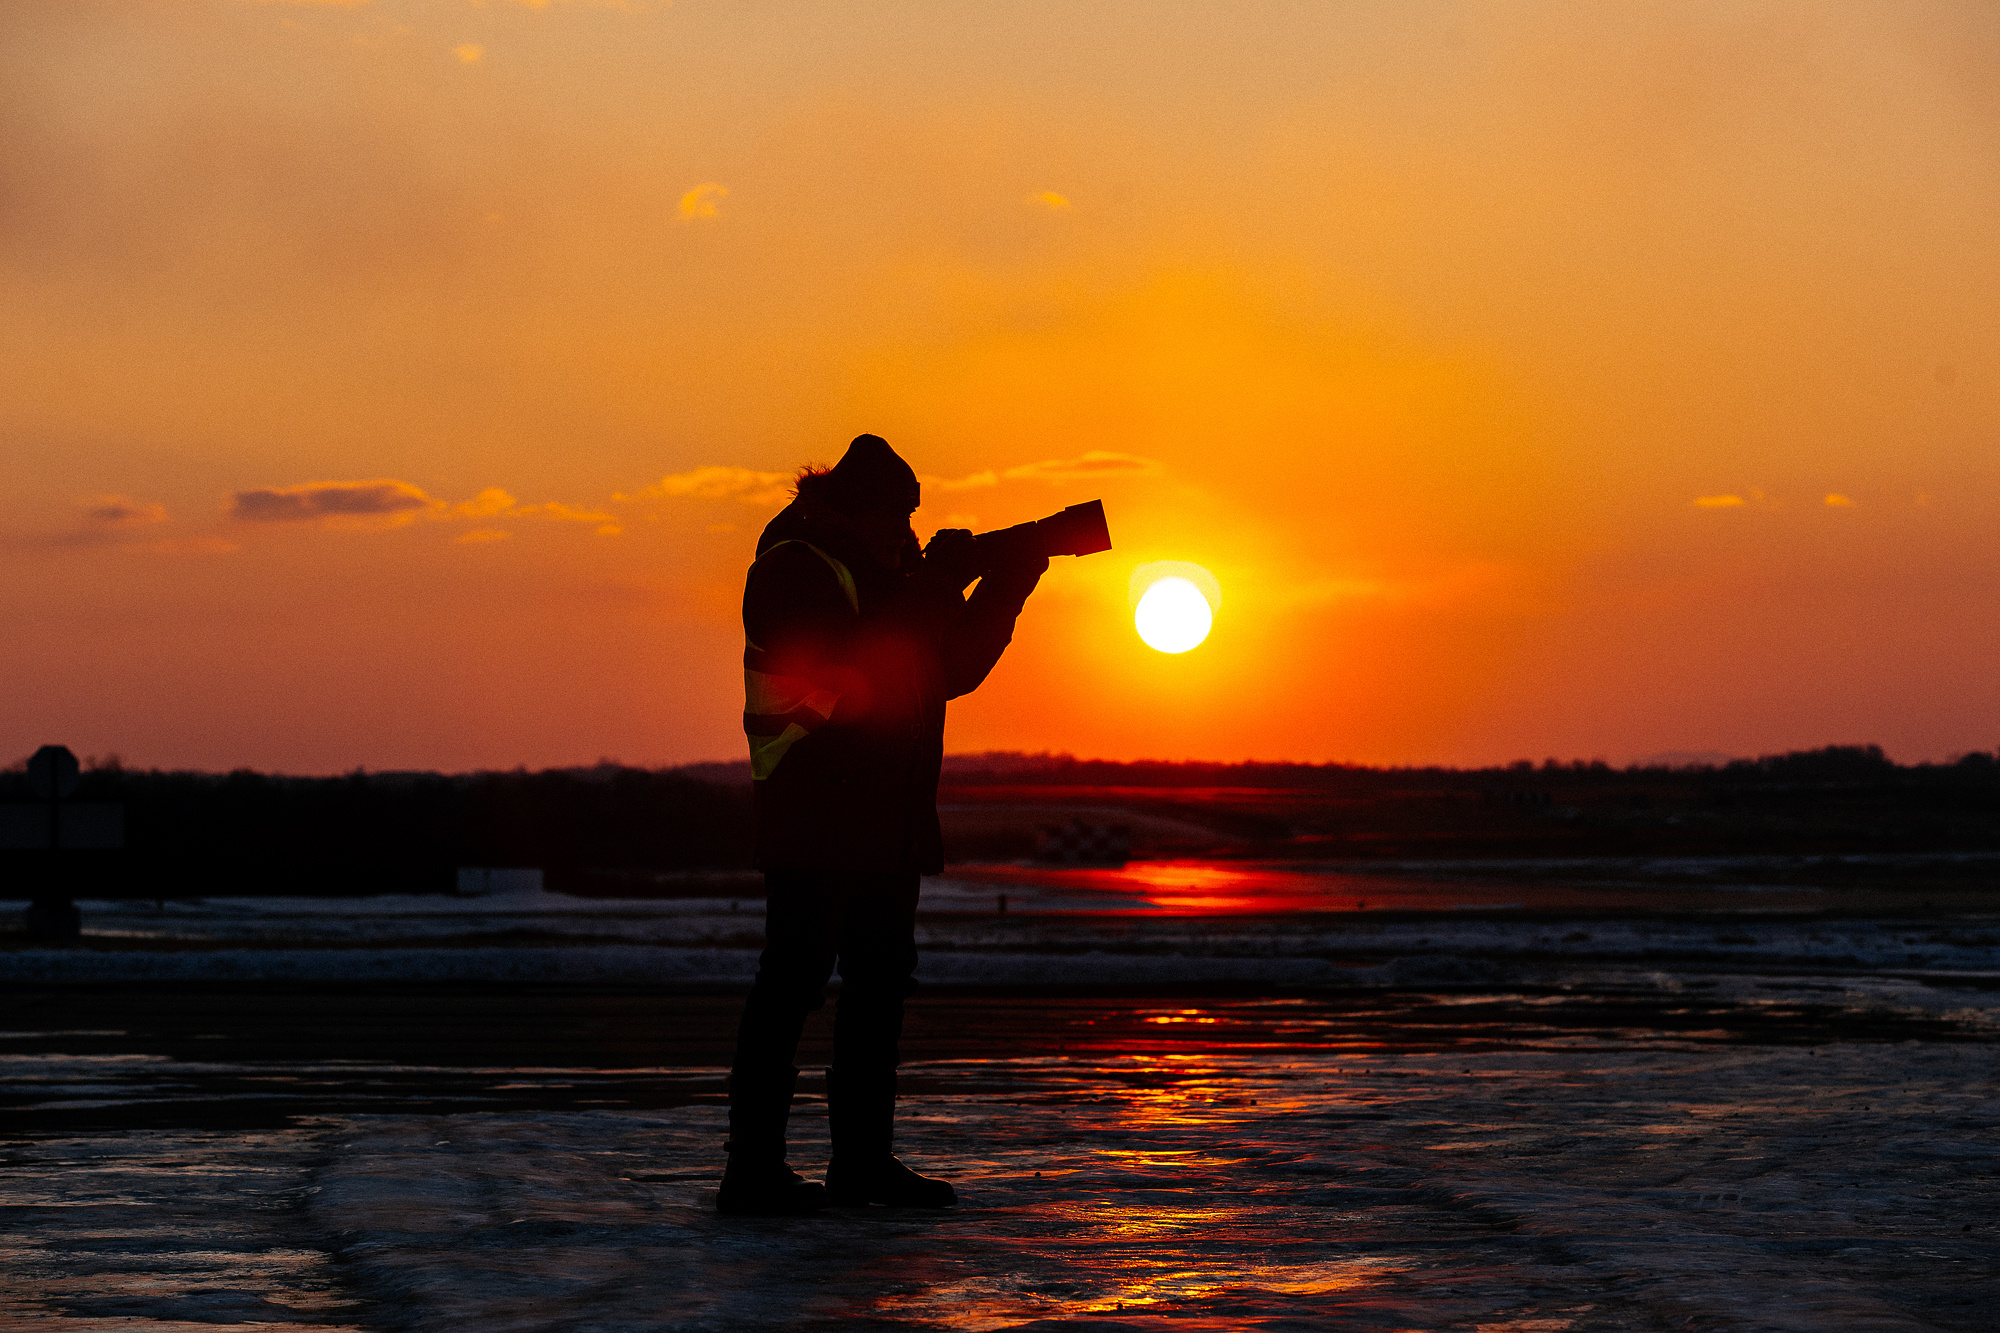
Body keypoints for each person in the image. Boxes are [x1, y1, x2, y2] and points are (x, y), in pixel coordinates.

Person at [718, 433, 1048, 1216]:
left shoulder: (886, 573)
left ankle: (861, 1164)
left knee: (877, 993)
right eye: (895, 516)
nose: (904, 531)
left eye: (910, 520)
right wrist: (935, 578)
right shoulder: (795, 566)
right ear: (853, 508)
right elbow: (856, 660)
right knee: (793, 985)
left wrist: (1006, 587)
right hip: (816, 810)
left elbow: (947, 669)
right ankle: (752, 1171)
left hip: (887, 815)